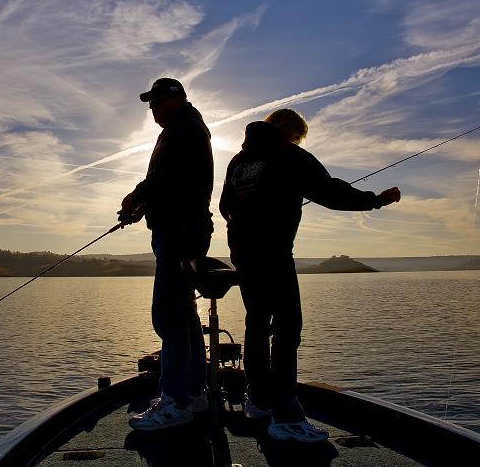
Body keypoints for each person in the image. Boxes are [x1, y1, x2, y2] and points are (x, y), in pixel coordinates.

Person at [219, 108, 400, 443]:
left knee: (257, 324)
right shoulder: (289, 155)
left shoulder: (238, 162)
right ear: (289, 132)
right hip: (274, 253)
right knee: (287, 329)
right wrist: (374, 201)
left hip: (243, 255)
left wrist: (256, 214)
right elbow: (330, 191)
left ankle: (257, 401)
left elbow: (225, 207)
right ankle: (287, 417)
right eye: (296, 136)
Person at [118, 77, 214, 431]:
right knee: (185, 315)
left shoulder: (184, 128)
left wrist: (137, 194)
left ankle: (175, 401)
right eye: (150, 102)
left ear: (175, 99)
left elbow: (168, 174)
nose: (152, 108)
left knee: (169, 315)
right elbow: (175, 181)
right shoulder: (185, 127)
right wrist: (145, 205)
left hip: (180, 232)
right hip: (181, 228)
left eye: (157, 100)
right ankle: (193, 392)